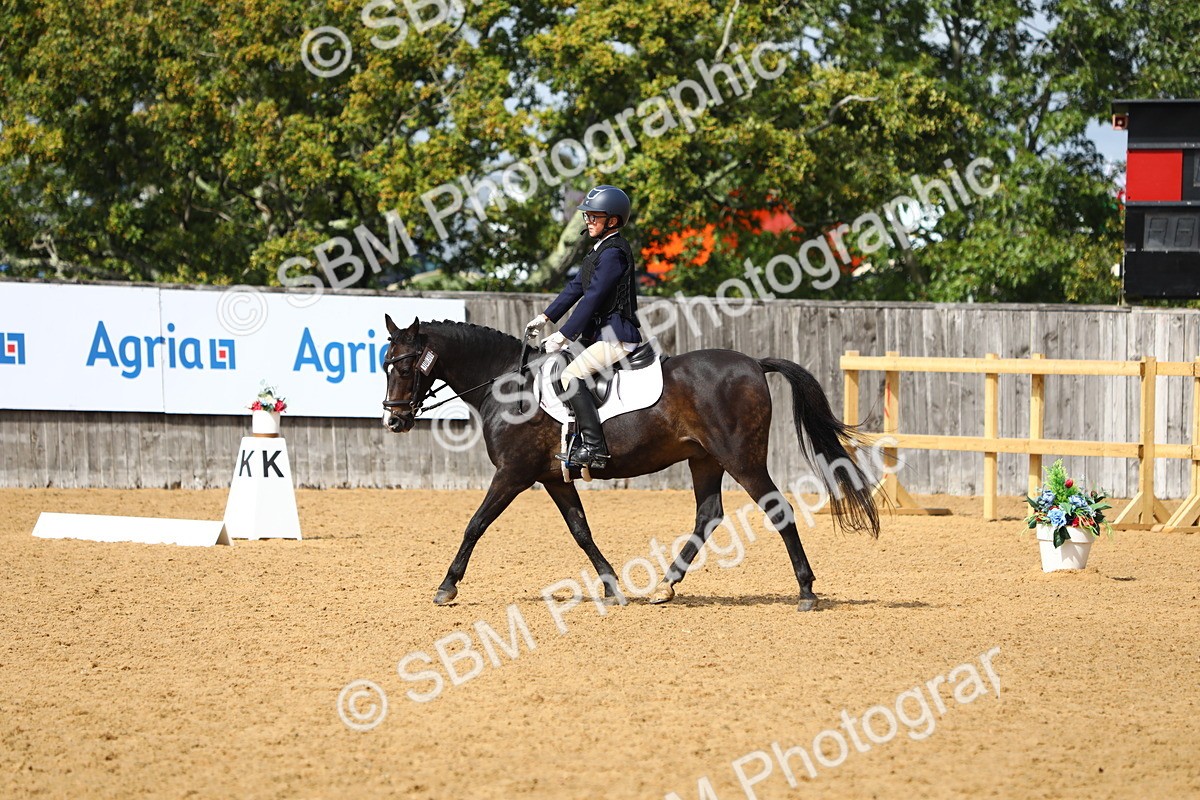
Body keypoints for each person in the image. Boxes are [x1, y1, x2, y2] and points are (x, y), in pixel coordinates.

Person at [525, 185, 642, 469]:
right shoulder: (599, 251)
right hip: (600, 335)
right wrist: (545, 317)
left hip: (617, 335)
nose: (588, 220)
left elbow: (593, 298)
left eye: (594, 216)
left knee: (571, 376)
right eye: (587, 216)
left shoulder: (613, 254)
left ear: (612, 221)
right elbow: (576, 287)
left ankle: (594, 448)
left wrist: (563, 336)